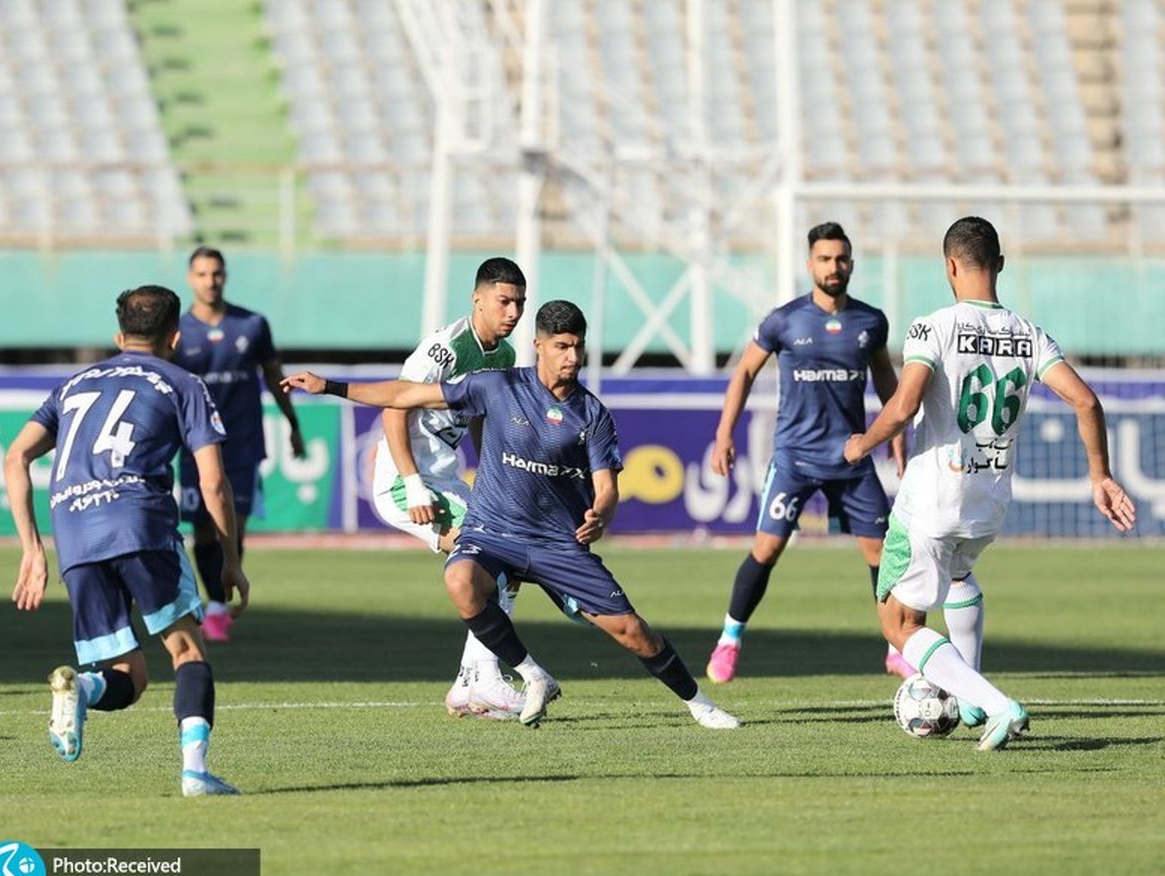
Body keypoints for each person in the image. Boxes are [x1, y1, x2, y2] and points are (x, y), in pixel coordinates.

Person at [284, 300, 739, 730]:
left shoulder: (592, 415)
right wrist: (331, 386)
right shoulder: (497, 386)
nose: (572, 356)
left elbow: (606, 490)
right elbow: (407, 394)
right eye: (562, 346)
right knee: (460, 581)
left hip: (556, 542)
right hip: (493, 531)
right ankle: (526, 673)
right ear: (539, 345)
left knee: (633, 632)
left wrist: (601, 514)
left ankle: (700, 704)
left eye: (578, 346)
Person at [844, 215, 1137, 750]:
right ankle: (973, 698)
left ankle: (996, 702)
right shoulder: (1030, 334)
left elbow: (905, 405)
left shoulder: (933, 326)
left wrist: (861, 444)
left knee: (900, 624)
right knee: (959, 580)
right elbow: (1086, 401)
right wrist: (1101, 476)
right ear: (999, 264)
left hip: (932, 497)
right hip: (988, 501)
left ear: (949, 266)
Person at [3, 285, 249, 794]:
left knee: (128, 677)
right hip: (139, 520)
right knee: (186, 652)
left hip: (73, 531)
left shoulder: (74, 385)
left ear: (119, 336)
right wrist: (229, 557)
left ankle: (81, 689)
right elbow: (213, 483)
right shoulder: (183, 383)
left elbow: (16, 457)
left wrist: (32, 548)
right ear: (176, 337)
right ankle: (196, 772)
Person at [705, 222, 909, 685]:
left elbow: (884, 378)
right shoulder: (784, 320)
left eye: (841, 259)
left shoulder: (870, 321)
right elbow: (744, 374)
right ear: (809, 264)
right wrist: (724, 434)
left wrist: (897, 429)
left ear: (851, 264)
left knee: (882, 554)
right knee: (767, 548)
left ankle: (898, 647)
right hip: (795, 457)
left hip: (852, 459)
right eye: (824, 259)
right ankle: (729, 639)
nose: (833, 267)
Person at [373, 257, 530, 720]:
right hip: (405, 483)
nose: (513, 312)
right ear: (477, 299)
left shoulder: (501, 356)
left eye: (519, 303)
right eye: (504, 301)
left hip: (444, 479)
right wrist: (412, 482)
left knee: (509, 561)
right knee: (490, 556)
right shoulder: (445, 349)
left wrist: (492, 473)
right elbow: (394, 408)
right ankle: (484, 676)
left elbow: (481, 416)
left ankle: (470, 683)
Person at [174, 246, 304, 642]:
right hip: (196, 445)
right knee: (204, 530)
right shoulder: (178, 332)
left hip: (243, 440)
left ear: (224, 276)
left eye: (216, 273)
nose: (209, 281)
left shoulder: (252, 325)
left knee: (235, 526)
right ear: (190, 279)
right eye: (201, 274)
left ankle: (218, 603)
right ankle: (215, 603)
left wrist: (293, 423)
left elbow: (273, 376)